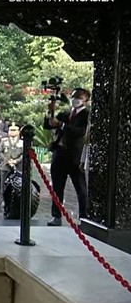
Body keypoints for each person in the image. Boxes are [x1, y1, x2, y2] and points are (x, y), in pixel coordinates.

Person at [44, 88, 90, 226]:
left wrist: (62, 125)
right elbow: (48, 125)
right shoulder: (65, 114)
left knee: (80, 188)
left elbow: (80, 132)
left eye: (79, 97)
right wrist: (50, 112)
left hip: (75, 157)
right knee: (57, 187)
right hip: (60, 155)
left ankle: (83, 217)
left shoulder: (87, 115)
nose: (75, 99)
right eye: (73, 96)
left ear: (85, 99)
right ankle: (56, 216)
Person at [0, 123, 23, 192]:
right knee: (3, 186)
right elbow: (0, 152)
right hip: (5, 167)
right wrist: (7, 160)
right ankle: (3, 201)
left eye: (14, 130)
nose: (12, 132)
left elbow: (23, 155)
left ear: (18, 131)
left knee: (18, 186)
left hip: (18, 167)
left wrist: (16, 161)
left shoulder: (22, 142)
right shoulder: (3, 141)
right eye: (10, 130)